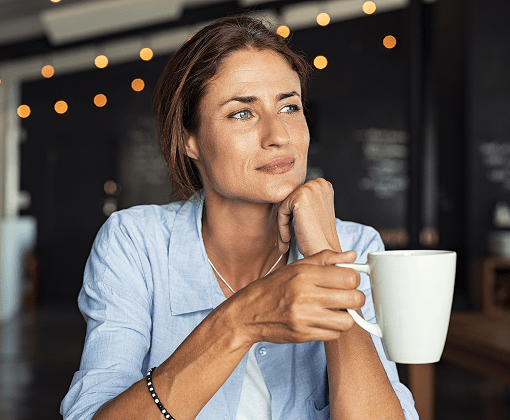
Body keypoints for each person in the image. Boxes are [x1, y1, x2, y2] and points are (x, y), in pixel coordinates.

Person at [61, 15, 418, 420]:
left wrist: (324, 249)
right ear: (188, 139)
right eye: (242, 114)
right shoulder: (135, 243)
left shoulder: (357, 247)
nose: (278, 135)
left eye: (289, 106)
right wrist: (241, 321)